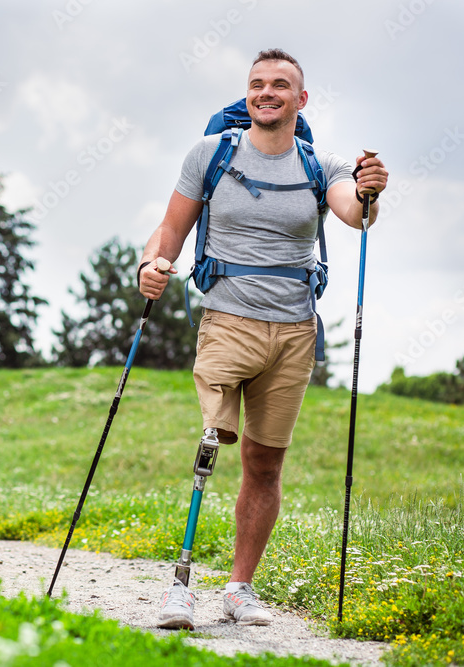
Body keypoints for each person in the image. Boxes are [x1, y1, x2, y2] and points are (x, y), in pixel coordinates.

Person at [137, 48, 388, 629]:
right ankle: (180, 587)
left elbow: (356, 213)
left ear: (300, 100)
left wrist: (371, 189)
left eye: (280, 85)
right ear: (246, 94)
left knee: (264, 463)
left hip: (296, 331)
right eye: (257, 84)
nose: (266, 92)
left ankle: (238, 588)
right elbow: (171, 228)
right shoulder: (211, 154)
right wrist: (153, 264)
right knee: (211, 444)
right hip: (227, 318)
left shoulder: (318, 163)